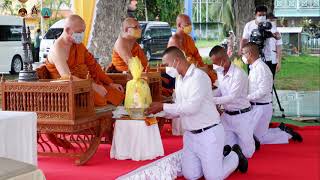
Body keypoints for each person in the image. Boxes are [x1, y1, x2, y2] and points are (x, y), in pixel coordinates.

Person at [147, 46, 248, 179]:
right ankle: (218, 157)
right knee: (191, 176)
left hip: (209, 133)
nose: (165, 69)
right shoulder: (179, 79)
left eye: (166, 64)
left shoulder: (198, 77)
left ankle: (235, 155)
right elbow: (179, 108)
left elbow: (190, 108)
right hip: (190, 135)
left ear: (177, 60)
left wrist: (162, 106)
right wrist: (155, 113)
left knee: (213, 178)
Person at [45, 14, 124, 106]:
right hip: (69, 90)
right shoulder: (57, 50)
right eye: (79, 32)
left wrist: (110, 83)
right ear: (67, 30)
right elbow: (67, 78)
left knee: (116, 93)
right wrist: (94, 87)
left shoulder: (78, 45)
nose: (81, 35)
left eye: (83, 32)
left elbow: (93, 66)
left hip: (85, 84)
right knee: (100, 99)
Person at [242, 42, 302, 144]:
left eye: (243, 53)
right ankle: (280, 129)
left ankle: (287, 135)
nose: (242, 56)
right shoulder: (254, 67)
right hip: (256, 106)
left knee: (259, 138)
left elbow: (263, 91)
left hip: (262, 108)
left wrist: (246, 98)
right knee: (252, 134)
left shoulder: (261, 69)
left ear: (250, 54)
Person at [210, 45, 256, 158]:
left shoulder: (239, 74)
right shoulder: (221, 72)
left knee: (247, 154)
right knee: (228, 150)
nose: (214, 66)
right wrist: (208, 95)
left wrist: (209, 100)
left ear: (224, 60)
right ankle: (237, 148)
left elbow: (231, 97)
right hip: (226, 116)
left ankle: (253, 141)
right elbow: (221, 90)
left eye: (215, 63)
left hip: (242, 116)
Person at [239, 5, 281, 70]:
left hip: (269, 58)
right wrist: (241, 51)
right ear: (255, 15)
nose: (262, 17)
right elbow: (244, 40)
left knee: (268, 78)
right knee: (253, 78)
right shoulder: (249, 25)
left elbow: (278, 43)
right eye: (260, 15)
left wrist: (278, 60)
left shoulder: (271, 26)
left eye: (264, 15)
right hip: (253, 58)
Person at [265, 12, 283, 78]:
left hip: (272, 59)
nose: (272, 22)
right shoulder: (261, 31)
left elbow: (279, 47)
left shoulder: (277, 32)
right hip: (262, 59)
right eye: (270, 20)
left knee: (271, 79)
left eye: (273, 20)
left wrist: (279, 61)